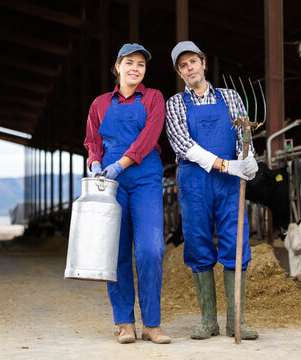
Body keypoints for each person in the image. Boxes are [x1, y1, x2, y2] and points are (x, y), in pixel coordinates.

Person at [165, 41, 259, 340]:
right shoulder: (175, 104)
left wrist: (248, 160)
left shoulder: (230, 97)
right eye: (183, 65)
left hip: (230, 183)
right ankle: (209, 321)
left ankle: (236, 321)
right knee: (198, 242)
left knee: (236, 242)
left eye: (193, 61)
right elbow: (184, 145)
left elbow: (243, 134)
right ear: (179, 73)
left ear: (203, 63)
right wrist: (224, 165)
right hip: (195, 181)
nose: (190, 68)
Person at [84, 43, 170, 344]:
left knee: (151, 249)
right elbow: (92, 140)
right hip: (110, 183)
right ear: (117, 67)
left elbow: (149, 137)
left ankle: (152, 324)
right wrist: (95, 163)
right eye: (130, 63)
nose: (135, 68)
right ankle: (124, 322)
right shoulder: (99, 104)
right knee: (117, 251)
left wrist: (120, 164)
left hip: (145, 177)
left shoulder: (154, 98)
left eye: (141, 65)